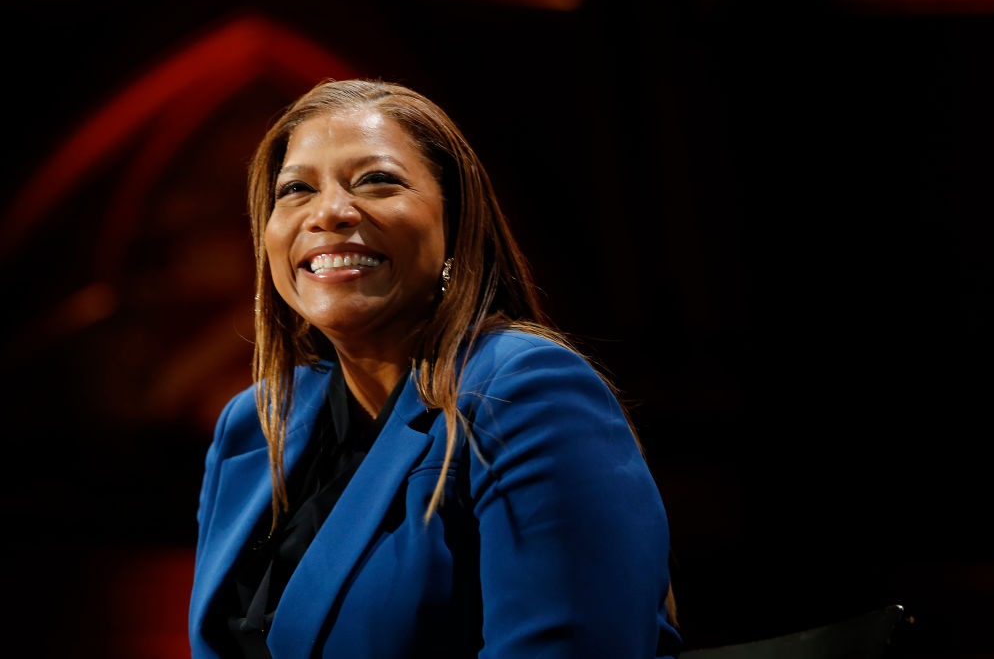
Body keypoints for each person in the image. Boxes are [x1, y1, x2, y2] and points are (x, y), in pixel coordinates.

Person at [188, 79, 682, 659]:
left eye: (377, 180)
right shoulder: (253, 422)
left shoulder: (523, 392)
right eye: (296, 189)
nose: (328, 212)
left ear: (455, 223)